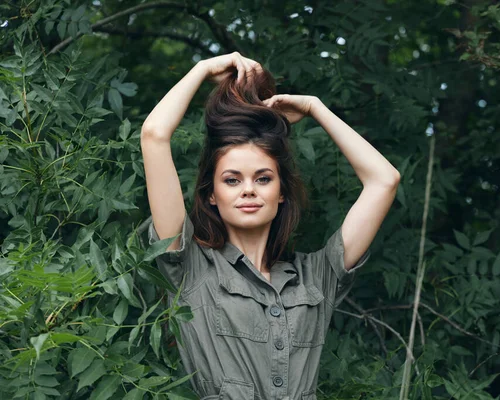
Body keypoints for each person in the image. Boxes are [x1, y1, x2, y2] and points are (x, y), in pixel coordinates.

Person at [140, 52, 400, 400]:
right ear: (212, 195)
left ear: (280, 193)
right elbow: (154, 135)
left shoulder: (316, 277)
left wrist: (315, 108)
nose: (248, 189)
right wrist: (201, 70)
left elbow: (384, 180)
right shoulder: (190, 267)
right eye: (232, 181)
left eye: (263, 179)